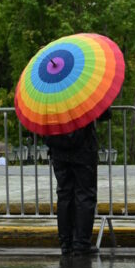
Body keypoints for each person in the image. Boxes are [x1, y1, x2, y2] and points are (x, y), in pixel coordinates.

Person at [45, 108, 111, 256]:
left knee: (64, 195)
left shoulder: (50, 96)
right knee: (85, 196)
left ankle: (66, 243)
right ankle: (81, 243)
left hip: (58, 149)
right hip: (83, 150)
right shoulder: (82, 92)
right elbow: (104, 114)